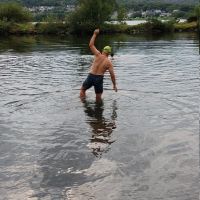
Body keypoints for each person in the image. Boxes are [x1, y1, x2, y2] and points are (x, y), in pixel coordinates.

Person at [80, 29, 117, 102]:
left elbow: (91, 45)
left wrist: (95, 34)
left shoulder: (97, 54)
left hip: (91, 76)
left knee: (83, 90)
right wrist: (114, 85)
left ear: (103, 50)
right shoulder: (109, 63)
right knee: (98, 96)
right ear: (109, 53)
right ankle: (98, 110)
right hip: (99, 79)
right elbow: (112, 75)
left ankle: (83, 103)